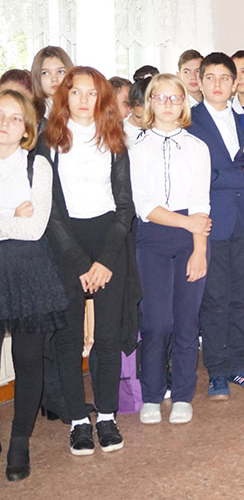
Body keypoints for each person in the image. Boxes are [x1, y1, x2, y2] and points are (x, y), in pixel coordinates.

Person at [44, 67, 135, 455]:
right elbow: (50, 210)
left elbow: (125, 206)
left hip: (109, 243)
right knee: (68, 338)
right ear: (64, 96)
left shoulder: (114, 141)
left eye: (92, 93)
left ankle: (108, 415)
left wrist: (105, 260)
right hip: (65, 246)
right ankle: (79, 421)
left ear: (102, 99)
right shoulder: (49, 143)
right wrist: (81, 263)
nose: (84, 100)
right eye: (75, 92)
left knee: (108, 336)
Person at [186, 52, 244, 399]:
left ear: (235, 83)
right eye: (209, 77)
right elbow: (192, 177)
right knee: (214, 300)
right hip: (210, 224)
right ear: (199, 82)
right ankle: (216, 370)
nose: (217, 84)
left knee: (243, 297)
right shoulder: (188, 123)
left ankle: (240, 366)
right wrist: (238, 176)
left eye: (224, 78)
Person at [130, 74, 211, 426]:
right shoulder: (136, 147)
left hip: (190, 239)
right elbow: (144, 205)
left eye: (174, 98)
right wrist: (188, 223)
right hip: (153, 238)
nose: (167, 104)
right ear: (150, 102)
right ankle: (152, 394)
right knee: (156, 322)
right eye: (160, 97)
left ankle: (182, 394)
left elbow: (201, 203)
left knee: (186, 322)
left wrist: (199, 250)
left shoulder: (197, 147)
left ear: (183, 104)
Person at [0, 89, 67, 481]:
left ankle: (19, 441)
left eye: (14, 117)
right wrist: (12, 215)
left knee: (27, 360)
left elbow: (35, 228)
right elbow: (19, 224)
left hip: (28, 273)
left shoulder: (36, 165)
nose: (5, 123)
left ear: (26, 128)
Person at [30, 46, 73, 121]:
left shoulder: (80, 108)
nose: (54, 79)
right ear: (37, 77)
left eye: (60, 72)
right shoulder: (29, 113)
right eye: (45, 73)